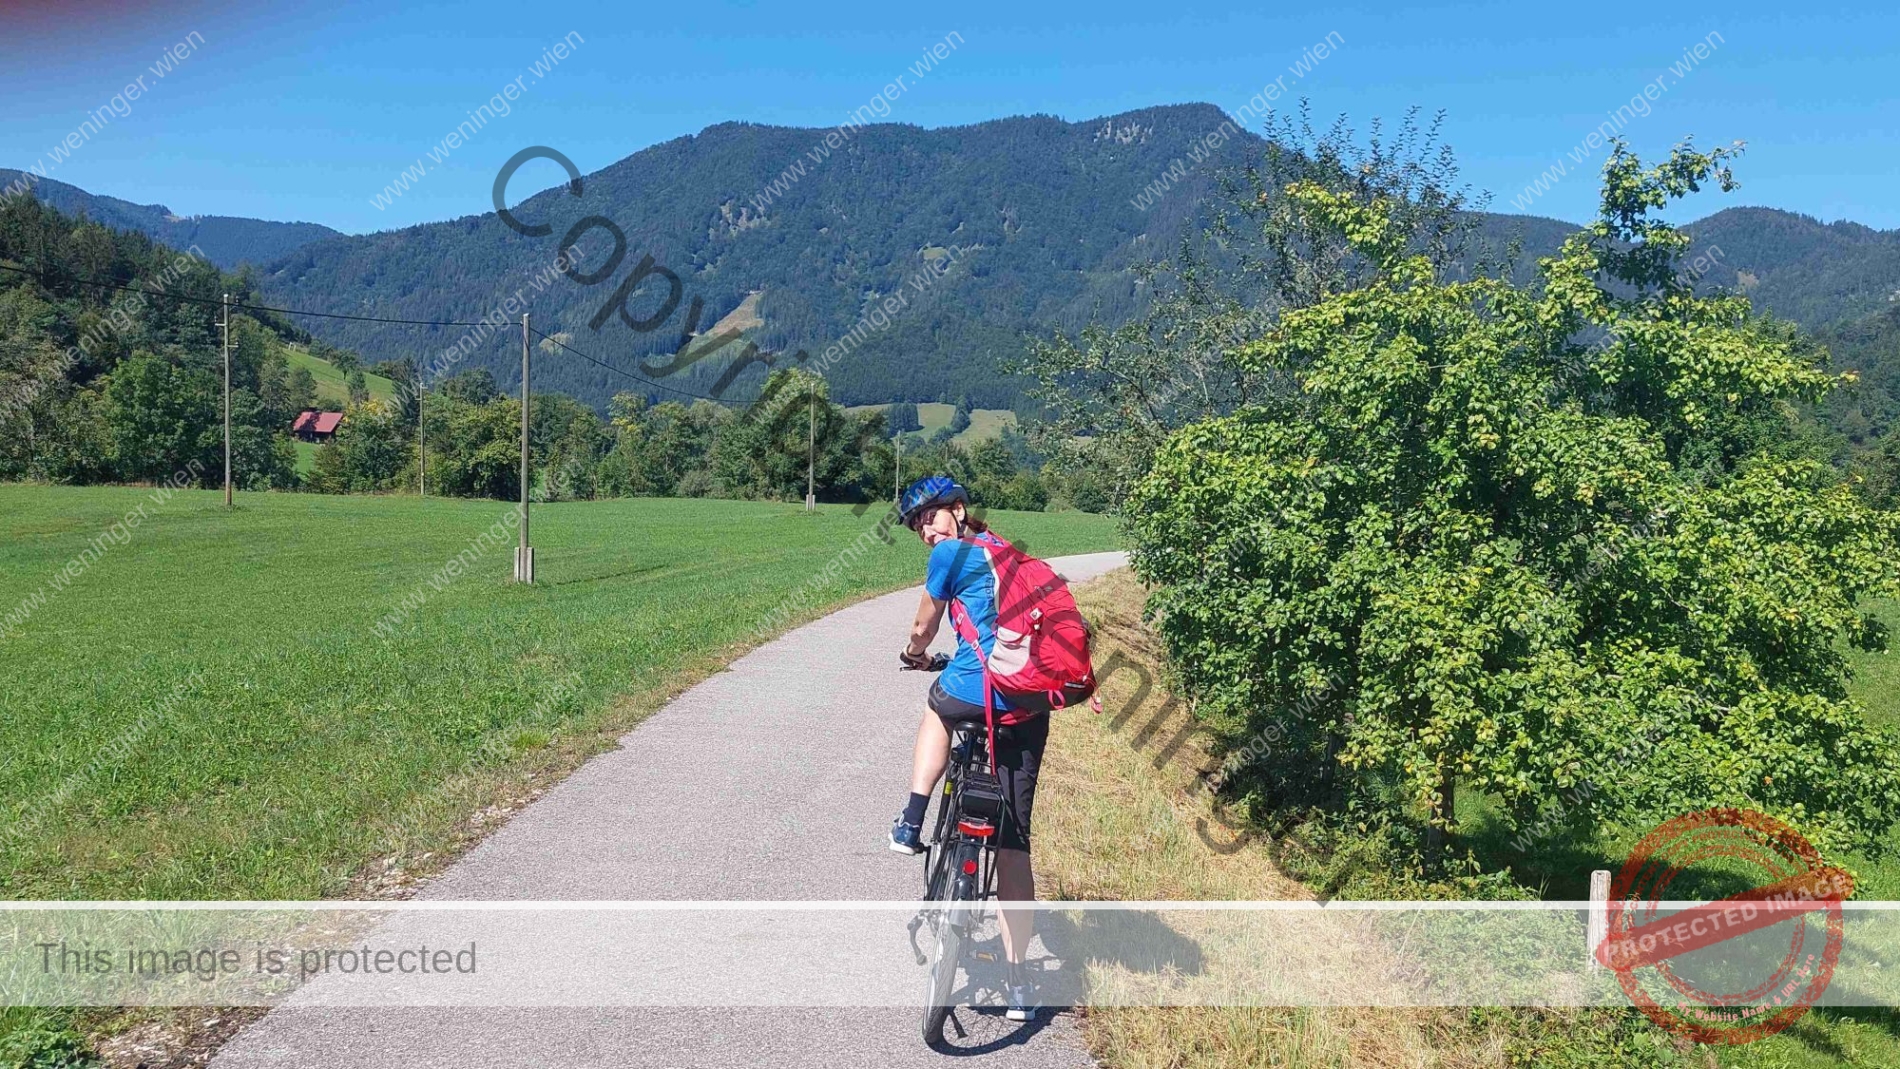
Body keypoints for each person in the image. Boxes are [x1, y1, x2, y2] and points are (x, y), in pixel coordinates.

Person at [890, 474, 1053, 1022]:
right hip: (1028, 704)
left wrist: (915, 655)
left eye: (930, 517)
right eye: (917, 525)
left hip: (974, 689)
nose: (925, 531)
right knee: (1014, 844)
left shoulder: (951, 555)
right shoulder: (1005, 553)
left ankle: (911, 821)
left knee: (938, 706)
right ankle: (1017, 981)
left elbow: (922, 626)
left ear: (957, 510)